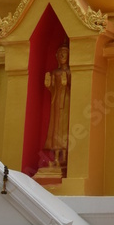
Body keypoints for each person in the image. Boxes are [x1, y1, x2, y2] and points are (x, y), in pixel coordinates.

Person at [44, 42, 71, 174]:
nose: (62, 56)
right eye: (60, 54)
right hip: (56, 102)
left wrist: (67, 84)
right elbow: (53, 89)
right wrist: (49, 84)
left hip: (67, 102)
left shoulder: (70, 72)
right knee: (55, 127)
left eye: (65, 54)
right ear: (56, 56)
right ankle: (55, 157)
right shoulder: (55, 72)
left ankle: (64, 157)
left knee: (64, 127)